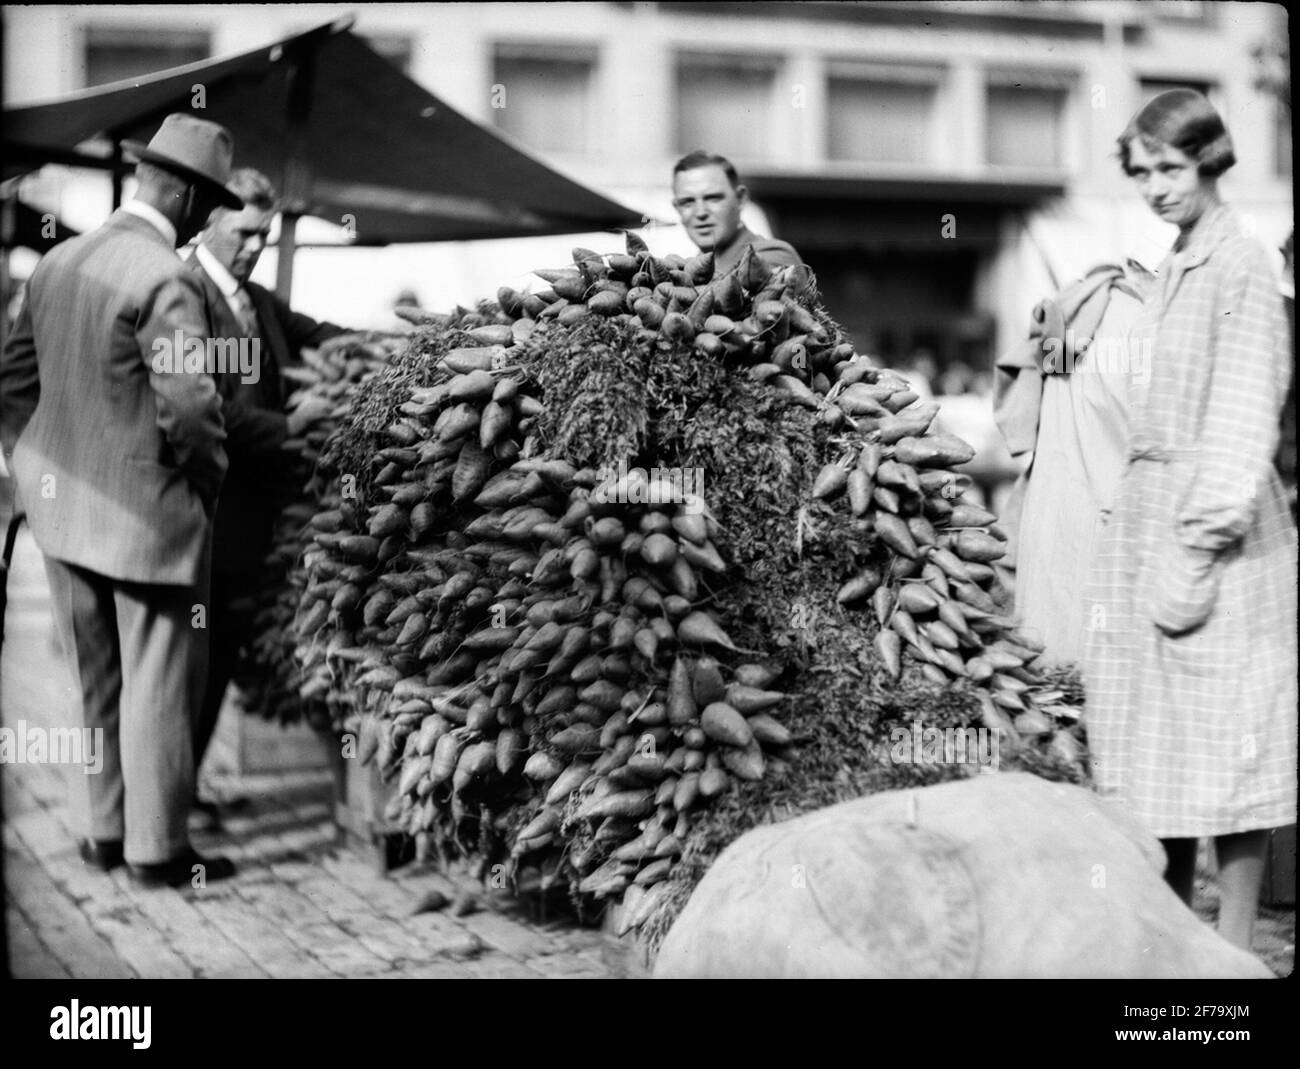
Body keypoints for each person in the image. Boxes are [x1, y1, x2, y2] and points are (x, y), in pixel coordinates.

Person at [0, 113, 242, 888]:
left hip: (62, 516)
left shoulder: (59, 261)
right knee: (160, 682)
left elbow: (11, 383)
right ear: (182, 192)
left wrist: (38, 463)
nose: (206, 220)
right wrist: (206, 482)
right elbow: (192, 404)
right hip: (148, 518)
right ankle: (157, 850)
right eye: (207, 203)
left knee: (94, 680)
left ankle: (102, 832)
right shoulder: (163, 275)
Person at [1083, 90, 1297, 951]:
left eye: (1171, 169)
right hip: (1155, 521)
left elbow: (1244, 415)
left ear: (1210, 160)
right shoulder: (1177, 262)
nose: (1157, 188)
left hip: (1222, 535)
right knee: (1157, 753)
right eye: (1142, 174)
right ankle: (1173, 936)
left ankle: (1236, 949)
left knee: (1228, 743)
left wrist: (1196, 546)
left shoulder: (1240, 263)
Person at [184, 167, 351, 823]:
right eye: (243, 233)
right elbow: (208, 409)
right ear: (209, 224)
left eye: (262, 234)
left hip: (249, 517)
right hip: (205, 513)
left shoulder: (256, 300)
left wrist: (410, 342)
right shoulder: (187, 296)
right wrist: (291, 426)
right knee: (190, 660)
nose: (253, 245)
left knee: (219, 650)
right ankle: (168, 798)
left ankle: (186, 785)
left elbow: (318, 332)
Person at [994, 261, 1151, 664]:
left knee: (1045, 664)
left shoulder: (1075, 311)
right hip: (1107, 523)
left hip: (1051, 515)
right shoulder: (1145, 326)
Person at [671, 151, 803, 279]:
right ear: (677, 208)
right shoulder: (691, 269)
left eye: (713, 198)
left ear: (740, 198)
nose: (700, 213)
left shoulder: (771, 256)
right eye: (687, 202)